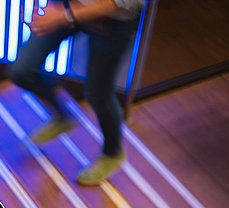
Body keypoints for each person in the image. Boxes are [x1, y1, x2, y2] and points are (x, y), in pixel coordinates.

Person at [8, 0, 145, 186]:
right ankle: (62, 117)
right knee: (21, 71)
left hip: (112, 22)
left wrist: (64, 16)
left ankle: (112, 153)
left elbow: (125, 3)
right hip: (67, 5)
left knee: (98, 92)